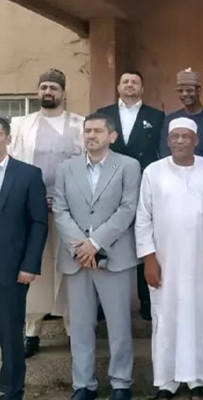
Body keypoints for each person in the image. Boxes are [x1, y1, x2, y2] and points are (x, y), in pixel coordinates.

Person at [53, 114, 141, 400]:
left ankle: (121, 383)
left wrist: (95, 242)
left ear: (112, 136)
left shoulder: (128, 166)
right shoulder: (66, 168)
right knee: (80, 326)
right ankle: (83, 384)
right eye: (87, 130)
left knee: (119, 325)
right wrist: (81, 248)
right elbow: (60, 210)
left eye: (98, 131)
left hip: (115, 257)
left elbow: (127, 209)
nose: (91, 135)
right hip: (76, 259)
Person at [136, 117, 203, 400]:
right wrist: (149, 259)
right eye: (175, 137)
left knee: (201, 316)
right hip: (165, 262)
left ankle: (198, 379)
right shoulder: (153, 171)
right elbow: (143, 218)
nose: (180, 141)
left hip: (201, 261)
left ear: (196, 140)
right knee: (166, 318)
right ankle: (166, 381)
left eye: (186, 136)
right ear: (168, 141)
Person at [9, 68, 84, 358]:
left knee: (68, 268)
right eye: (43, 87)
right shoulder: (21, 125)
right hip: (31, 209)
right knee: (33, 266)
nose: (48, 92)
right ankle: (32, 331)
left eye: (53, 87)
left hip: (69, 209)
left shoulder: (80, 124)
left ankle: (72, 329)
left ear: (63, 92)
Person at [96, 70, 165, 321]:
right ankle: (104, 304)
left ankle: (146, 300)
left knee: (142, 238)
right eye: (125, 81)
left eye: (135, 82)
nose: (129, 85)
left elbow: (161, 152)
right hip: (109, 184)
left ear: (142, 88)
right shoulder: (103, 114)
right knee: (109, 237)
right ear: (118, 87)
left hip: (143, 184)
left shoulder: (156, 116)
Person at [0, 117, 48, 400]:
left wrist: (30, 264)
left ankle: (11, 390)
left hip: (11, 268)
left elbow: (38, 223)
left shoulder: (28, 175)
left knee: (10, 334)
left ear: (7, 138)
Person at [160, 68, 203, 160]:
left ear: (199, 90)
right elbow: (164, 152)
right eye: (180, 91)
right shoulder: (170, 120)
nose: (185, 94)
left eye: (189, 90)